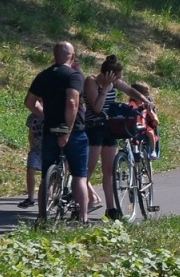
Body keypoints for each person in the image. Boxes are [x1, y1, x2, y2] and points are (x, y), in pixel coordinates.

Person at [83, 56, 155, 220]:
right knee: (89, 169)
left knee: (109, 171)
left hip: (109, 126)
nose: (119, 80)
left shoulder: (114, 82)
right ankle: (82, 205)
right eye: (118, 77)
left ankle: (111, 208)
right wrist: (105, 88)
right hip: (94, 127)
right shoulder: (91, 82)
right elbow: (96, 107)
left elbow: (129, 90)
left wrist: (145, 100)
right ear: (109, 75)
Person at [26, 42, 90, 223]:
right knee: (79, 175)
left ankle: (41, 217)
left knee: (47, 175)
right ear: (72, 55)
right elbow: (72, 103)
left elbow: (30, 102)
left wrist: (46, 116)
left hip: (49, 130)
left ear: (54, 55)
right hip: (74, 131)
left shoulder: (43, 75)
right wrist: (67, 131)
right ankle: (83, 219)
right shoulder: (74, 75)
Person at [129, 80, 161, 163]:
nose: (145, 98)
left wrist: (151, 114)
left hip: (144, 126)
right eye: (145, 96)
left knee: (150, 133)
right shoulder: (132, 104)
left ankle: (153, 150)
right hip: (135, 125)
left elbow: (152, 116)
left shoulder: (145, 104)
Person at [19, 112, 43, 209]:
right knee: (30, 169)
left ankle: (49, 195)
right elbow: (31, 134)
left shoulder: (52, 113)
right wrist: (32, 147)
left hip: (49, 148)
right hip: (36, 148)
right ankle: (30, 198)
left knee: (48, 173)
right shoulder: (32, 117)